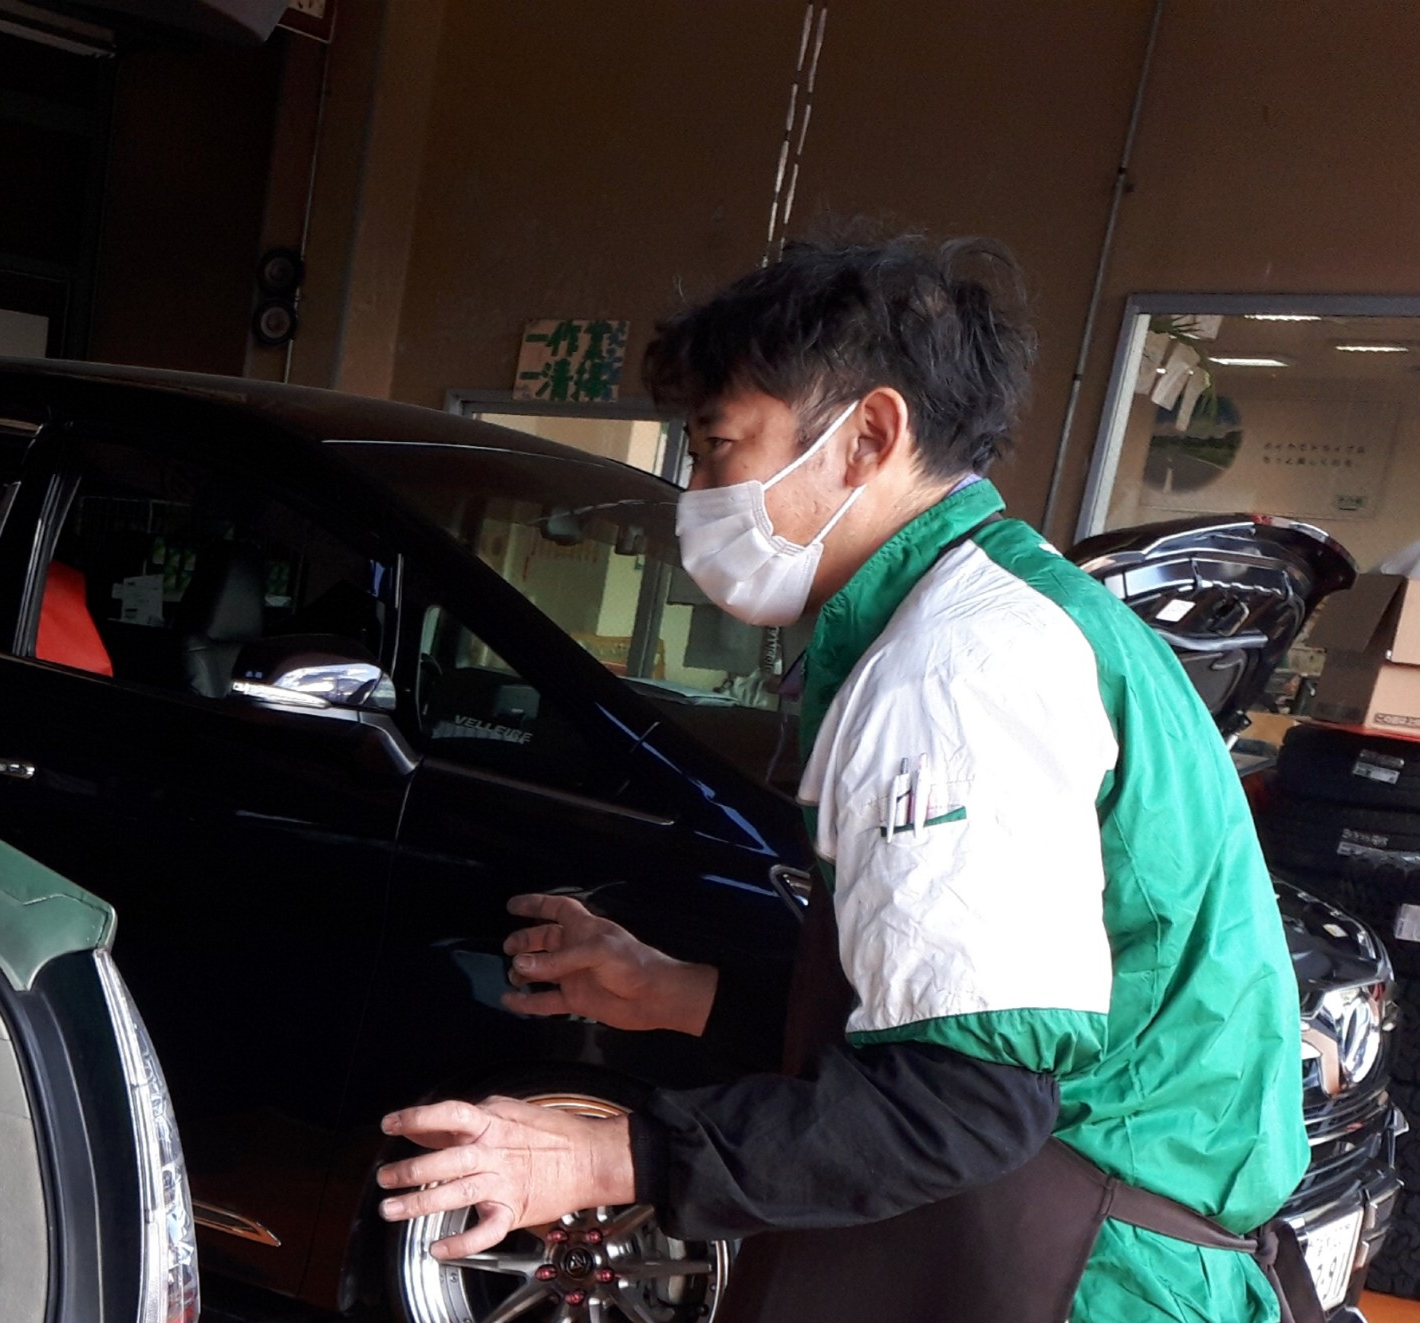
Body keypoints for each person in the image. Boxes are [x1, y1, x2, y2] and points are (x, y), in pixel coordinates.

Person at [372, 235, 1315, 1323]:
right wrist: (674, 992)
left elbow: (966, 1103)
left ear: (867, 436)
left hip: (1088, 1279)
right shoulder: (1006, 611)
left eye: (718, 447)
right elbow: (943, 1007)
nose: (696, 493)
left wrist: (605, 1156)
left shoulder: (957, 667)